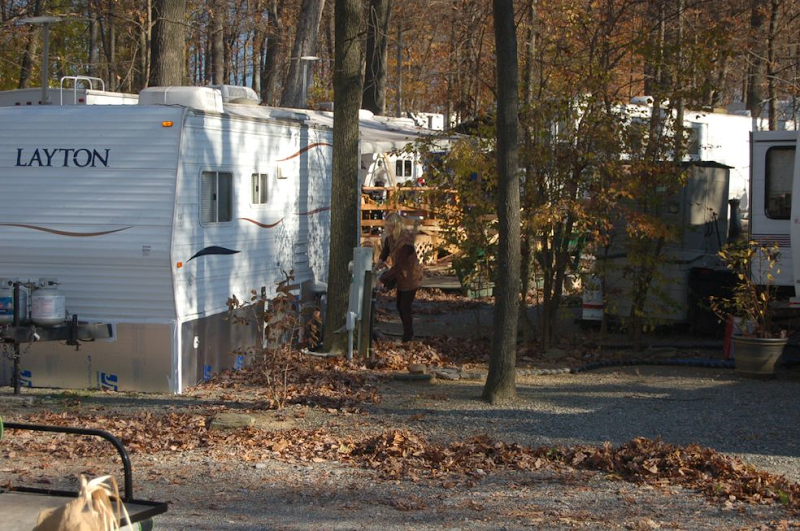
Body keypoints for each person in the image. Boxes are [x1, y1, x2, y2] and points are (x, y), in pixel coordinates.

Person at [376, 213, 424, 342]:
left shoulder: (406, 243)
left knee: (404, 306)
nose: (388, 228)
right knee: (399, 305)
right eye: (387, 226)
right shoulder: (390, 239)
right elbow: (385, 253)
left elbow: (399, 266)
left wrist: (382, 279)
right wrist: (377, 266)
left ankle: (408, 336)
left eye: (390, 226)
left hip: (411, 276)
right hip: (401, 277)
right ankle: (408, 334)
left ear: (396, 226)